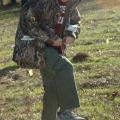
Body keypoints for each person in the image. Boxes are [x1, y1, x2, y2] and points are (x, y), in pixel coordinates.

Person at [15, 0, 85, 120]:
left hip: (56, 49)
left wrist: (71, 34)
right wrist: (50, 39)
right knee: (65, 67)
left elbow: (75, 21)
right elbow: (28, 22)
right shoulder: (39, 2)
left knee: (52, 88)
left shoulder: (71, 3)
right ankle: (66, 112)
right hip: (34, 47)